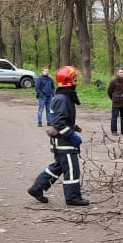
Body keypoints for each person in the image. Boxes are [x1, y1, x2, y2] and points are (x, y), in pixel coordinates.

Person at [28, 66, 90, 206]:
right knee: (72, 170)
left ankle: (37, 188)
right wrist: (71, 135)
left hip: (61, 141)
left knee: (59, 166)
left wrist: (73, 127)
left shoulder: (62, 97)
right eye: (75, 78)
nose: (77, 81)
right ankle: (72, 197)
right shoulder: (62, 99)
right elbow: (59, 123)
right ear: (68, 81)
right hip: (64, 142)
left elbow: (62, 120)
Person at [107, 67, 123, 136]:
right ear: (117, 73)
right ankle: (114, 131)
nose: (122, 74)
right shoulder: (113, 81)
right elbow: (109, 92)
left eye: (122, 72)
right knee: (114, 116)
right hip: (116, 102)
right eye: (120, 72)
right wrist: (114, 98)